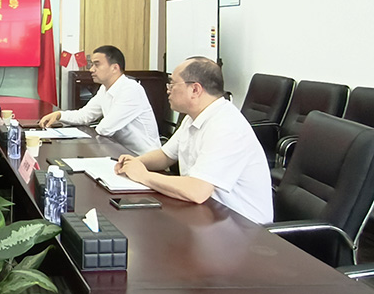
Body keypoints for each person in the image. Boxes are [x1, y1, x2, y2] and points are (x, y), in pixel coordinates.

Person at [115, 57, 273, 224]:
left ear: (195, 90)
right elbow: (165, 156)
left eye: (172, 84)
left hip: (244, 228)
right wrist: (134, 163)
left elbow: (197, 191)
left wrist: (144, 176)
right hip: (209, 214)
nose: (168, 90)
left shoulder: (226, 126)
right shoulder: (193, 117)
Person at [39, 45, 160, 154]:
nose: (91, 69)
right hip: (120, 152)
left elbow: (105, 129)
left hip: (145, 158)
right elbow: (85, 115)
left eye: (97, 64)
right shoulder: (105, 88)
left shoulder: (131, 89)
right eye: (92, 64)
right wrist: (59, 115)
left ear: (115, 68)